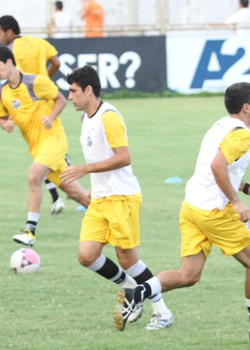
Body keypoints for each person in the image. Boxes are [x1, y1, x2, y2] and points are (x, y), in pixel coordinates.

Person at [114, 82, 250, 343]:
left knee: (189, 275)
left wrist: (247, 188)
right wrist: (236, 201)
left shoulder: (220, 125)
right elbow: (218, 166)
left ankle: (137, 293)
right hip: (215, 212)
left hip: (192, 207)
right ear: (246, 107)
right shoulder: (243, 135)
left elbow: (219, 170)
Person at [61, 66, 173, 330]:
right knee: (86, 256)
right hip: (101, 198)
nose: (70, 97)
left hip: (122, 197)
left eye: (74, 91)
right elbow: (99, 155)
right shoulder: (85, 119)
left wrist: (84, 170)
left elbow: (124, 157)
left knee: (127, 258)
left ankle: (162, 311)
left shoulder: (108, 116)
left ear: (89, 90)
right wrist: (93, 183)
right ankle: (131, 288)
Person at [0, 46, 90, 247]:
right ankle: (113, 222)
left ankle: (30, 232)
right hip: (36, 148)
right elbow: (1, 117)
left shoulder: (35, 82)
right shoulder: (1, 92)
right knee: (75, 193)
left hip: (54, 139)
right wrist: (5, 124)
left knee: (34, 177)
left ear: (9, 62)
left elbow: (61, 99)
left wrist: (51, 118)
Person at [0, 15, 69, 215]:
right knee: (49, 149)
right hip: (46, 101)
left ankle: (61, 195)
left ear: (9, 33)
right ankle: (66, 192)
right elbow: (56, 62)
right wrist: (45, 78)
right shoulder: (39, 42)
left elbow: (14, 81)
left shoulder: (8, 53)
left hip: (27, 105)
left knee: (41, 154)